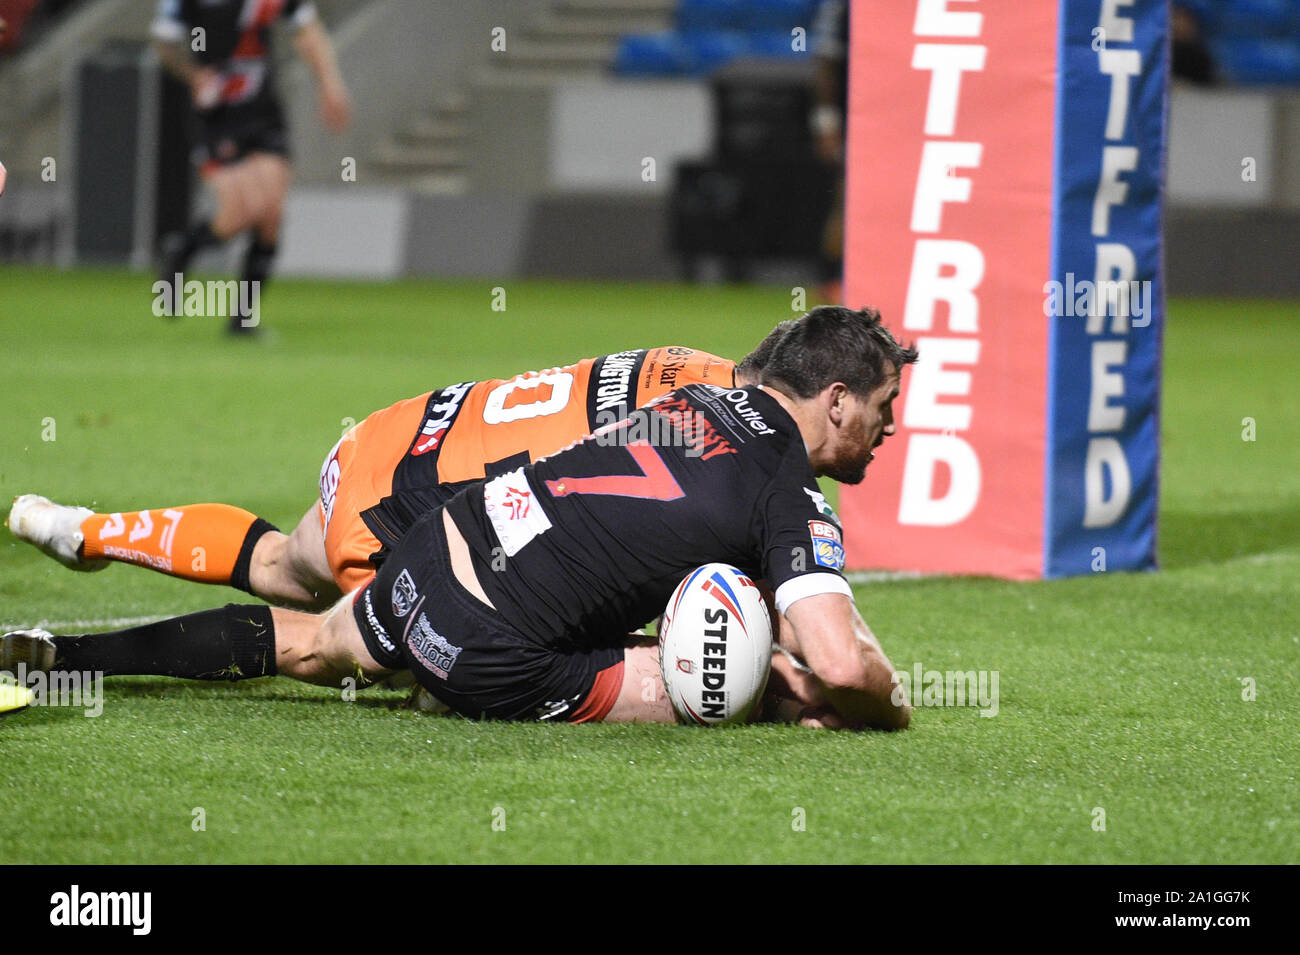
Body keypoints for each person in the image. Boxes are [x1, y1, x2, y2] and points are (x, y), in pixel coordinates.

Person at [3, 307, 916, 730]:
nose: (887, 431)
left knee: (293, 584)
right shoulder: (773, 475)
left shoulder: (686, 377)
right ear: (830, 399)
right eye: (882, 409)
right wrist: (833, 691)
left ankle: (78, 590)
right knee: (716, 682)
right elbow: (814, 646)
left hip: (424, 469)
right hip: (448, 552)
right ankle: (74, 634)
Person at [9, 343, 755, 610]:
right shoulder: (710, 430)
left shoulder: (683, 360)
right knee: (359, 651)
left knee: (280, 564)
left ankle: (90, 530)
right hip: (391, 516)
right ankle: (91, 651)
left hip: (390, 434)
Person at [151, 0, 351, 334]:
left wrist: (330, 83)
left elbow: (307, 28)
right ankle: (183, 248)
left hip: (263, 113)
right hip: (217, 117)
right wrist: (194, 75)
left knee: (271, 215)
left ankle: (243, 319)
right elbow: (164, 42)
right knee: (239, 214)